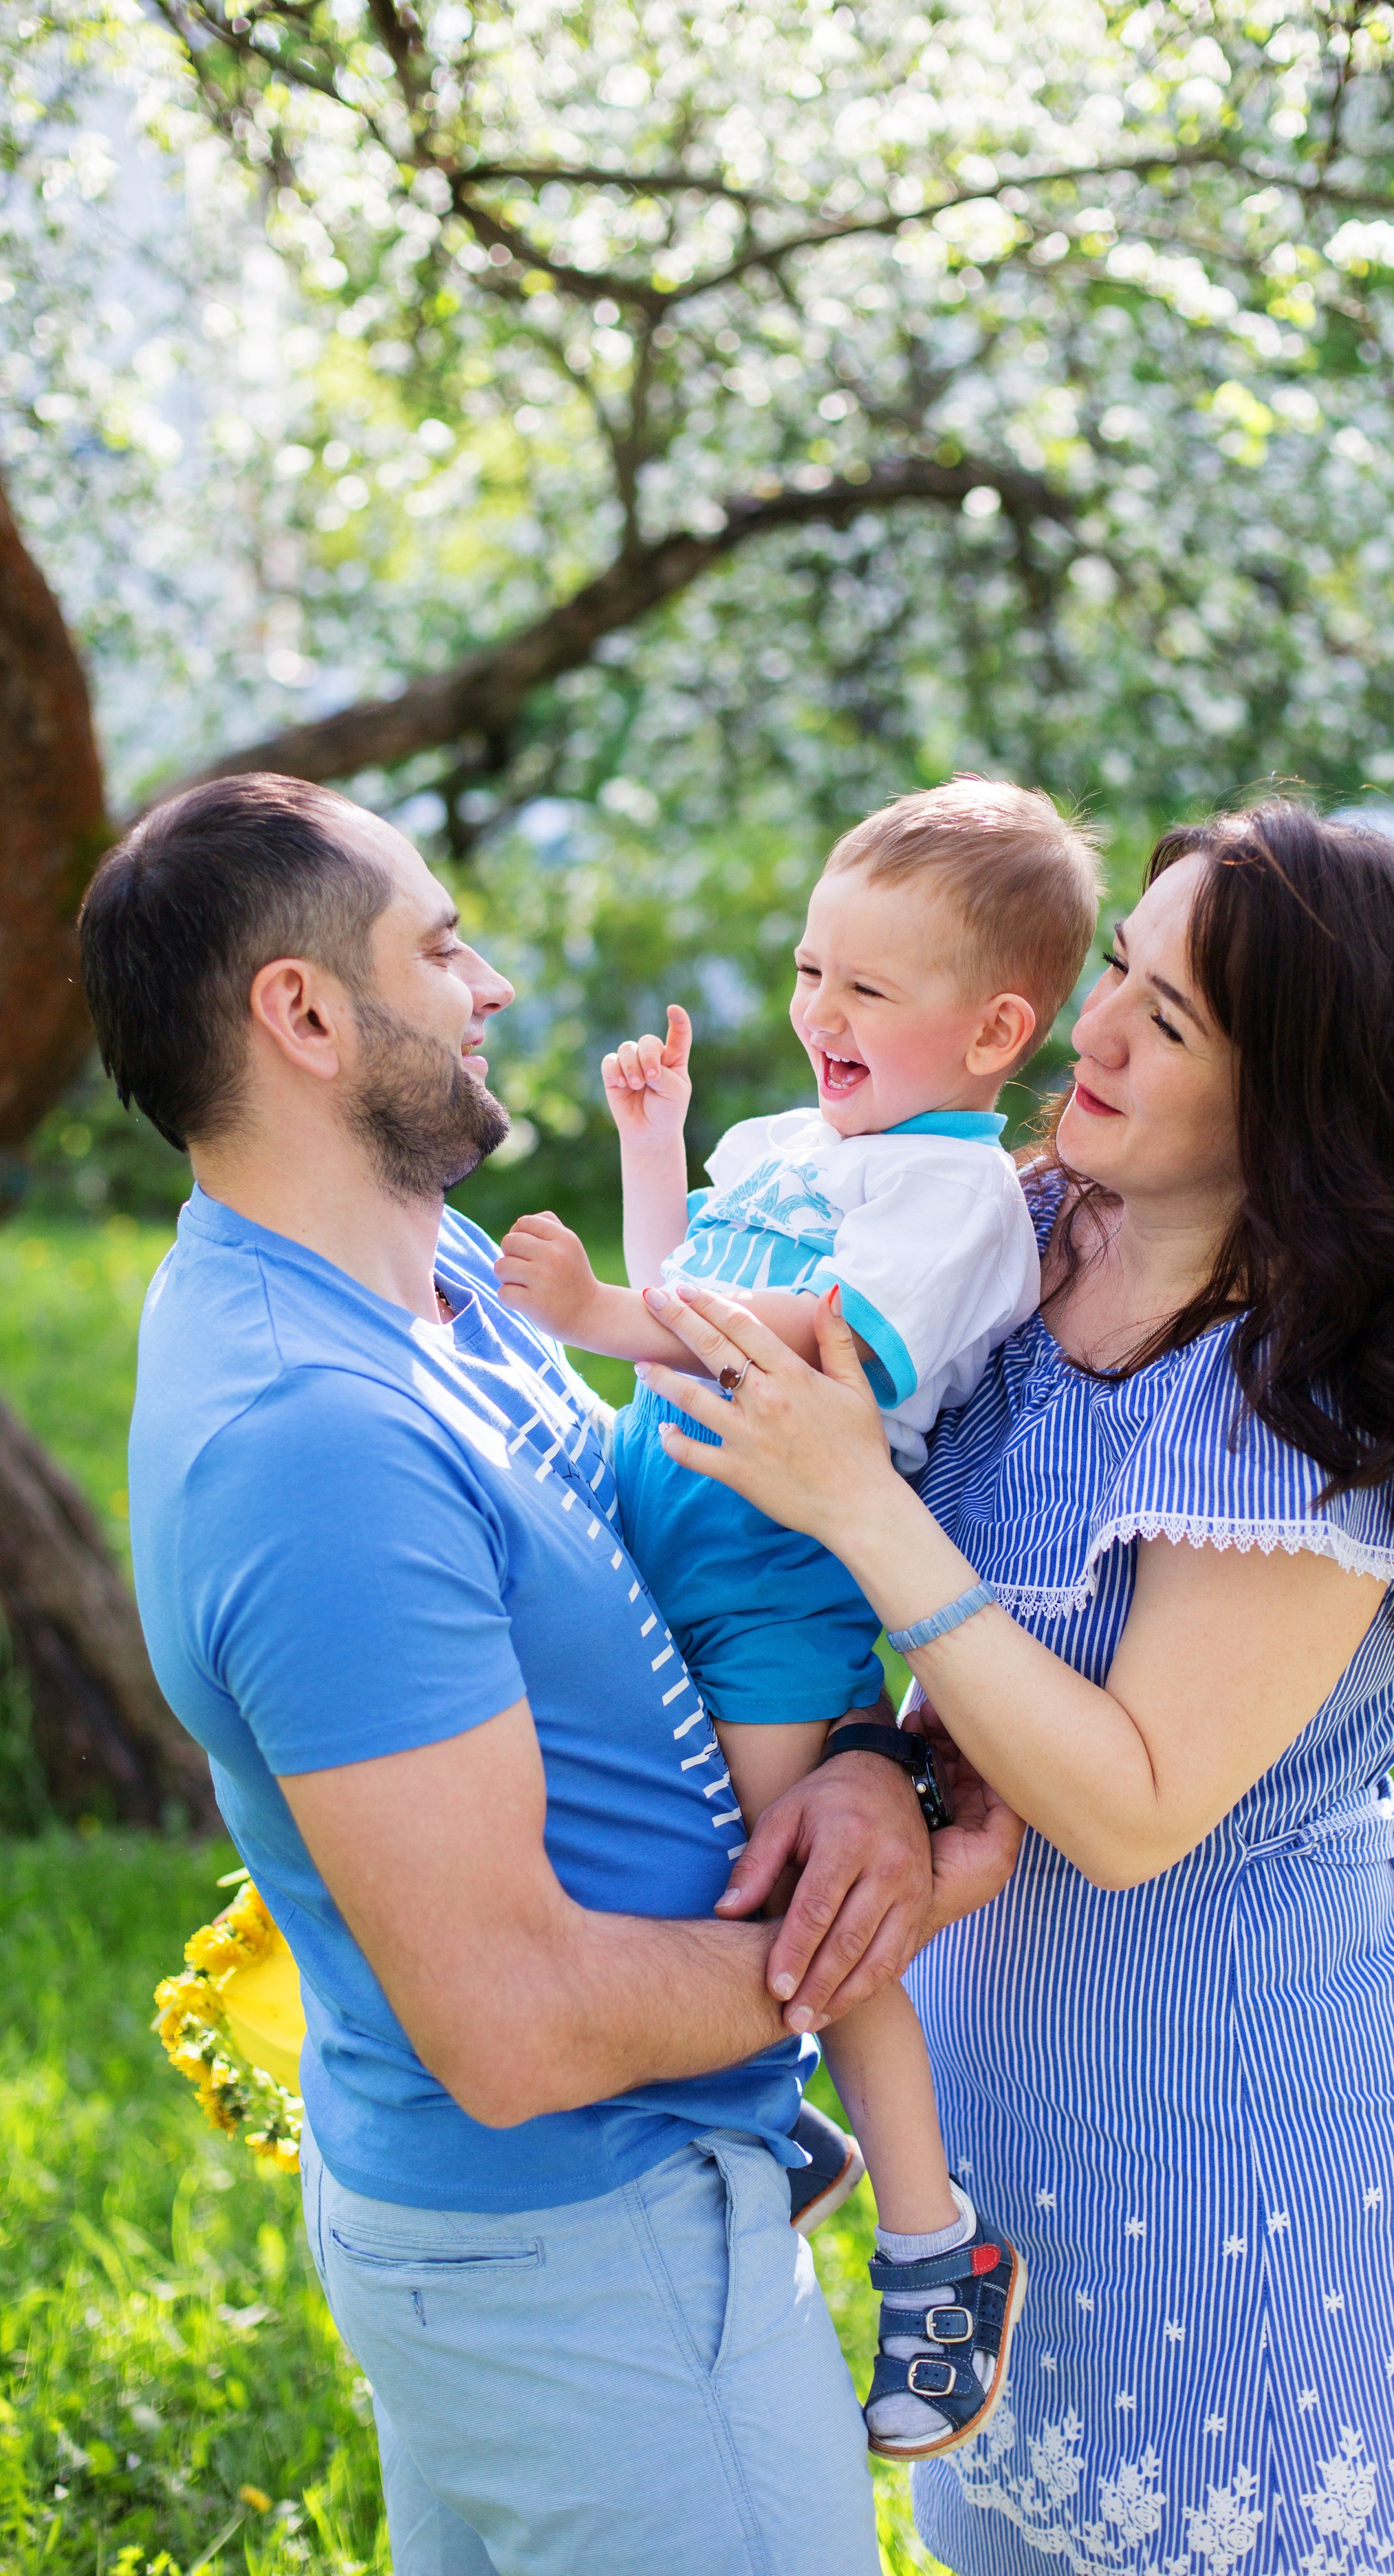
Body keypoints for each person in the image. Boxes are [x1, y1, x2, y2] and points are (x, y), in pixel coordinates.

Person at [622, 801, 1394, 2576]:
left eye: (1162, 1021)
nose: (1082, 1033)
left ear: (1302, 1096)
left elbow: (1127, 1804)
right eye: (1112, 976)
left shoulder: (1311, 1403)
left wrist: (854, 1498)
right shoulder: (1011, 1232)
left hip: (1241, 2124)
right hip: (1001, 2087)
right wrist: (866, 1765)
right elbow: (882, 1636)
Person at [78, 772, 1022, 2576]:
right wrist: (880, 1919)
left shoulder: (423, 1269)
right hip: (587, 2258)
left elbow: (635, 1553)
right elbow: (511, 2029)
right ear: (303, 1015)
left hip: (612, 2215)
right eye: (440, 946)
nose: (490, 982)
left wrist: (849, 1772)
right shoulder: (309, 1437)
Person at [496, 781, 1100, 2456]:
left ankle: (933, 2245)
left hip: (774, 1588)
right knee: (618, 1835)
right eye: (809, 969)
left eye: (866, 991)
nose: (818, 1013)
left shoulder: (954, 1207)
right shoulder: (785, 1146)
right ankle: (796, 2138)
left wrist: (613, 1316)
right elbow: (690, 1264)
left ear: (992, 1031)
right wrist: (652, 1141)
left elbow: (819, 1350)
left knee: (819, 1928)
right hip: (654, 1540)